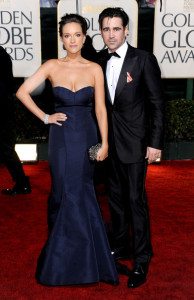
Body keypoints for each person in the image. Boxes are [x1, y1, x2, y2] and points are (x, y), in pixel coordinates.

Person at [16, 14, 118, 286]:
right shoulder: (51, 65)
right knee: (62, 191)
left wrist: (105, 143)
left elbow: (100, 110)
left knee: (82, 191)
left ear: (85, 37)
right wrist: (46, 117)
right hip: (61, 139)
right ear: (61, 39)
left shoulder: (94, 69)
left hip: (86, 137)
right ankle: (61, 256)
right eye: (67, 35)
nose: (72, 40)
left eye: (77, 35)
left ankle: (86, 259)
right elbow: (22, 92)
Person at [98, 7, 164, 288]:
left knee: (136, 201)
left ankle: (141, 258)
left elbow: (157, 104)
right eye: (106, 29)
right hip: (108, 145)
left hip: (136, 144)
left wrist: (155, 143)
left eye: (116, 28)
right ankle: (121, 246)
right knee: (114, 200)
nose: (111, 34)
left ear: (127, 30)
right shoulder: (98, 60)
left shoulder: (143, 59)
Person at [0, 46, 31, 196]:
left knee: (5, 147)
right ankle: (22, 182)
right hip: (4, 103)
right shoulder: (2, 52)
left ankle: (22, 183)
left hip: (1, 104)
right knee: (6, 147)